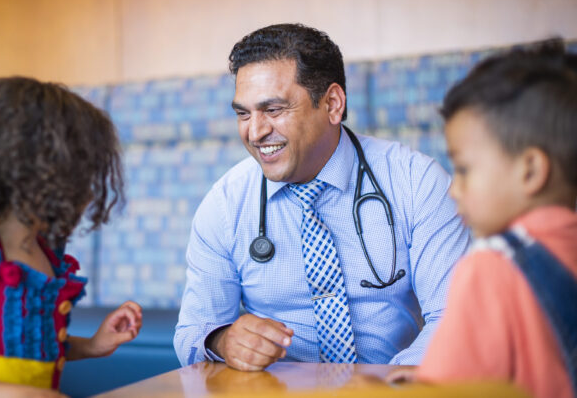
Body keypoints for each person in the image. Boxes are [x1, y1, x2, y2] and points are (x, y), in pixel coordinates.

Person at [174, 23, 470, 371]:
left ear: (332, 103)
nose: (254, 132)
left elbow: (456, 318)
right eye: (243, 113)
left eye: (273, 110)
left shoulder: (416, 182)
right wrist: (222, 341)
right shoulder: (224, 205)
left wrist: (387, 388)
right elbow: (192, 333)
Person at [0, 77, 142, 397]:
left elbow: (33, 347)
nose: (89, 190)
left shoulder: (43, 254)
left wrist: (93, 345)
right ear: (30, 170)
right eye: (79, 172)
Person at [413, 39, 577, 398]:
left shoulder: (491, 267)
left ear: (530, 170)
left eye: (464, 169)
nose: (454, 189)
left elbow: (444, 391)